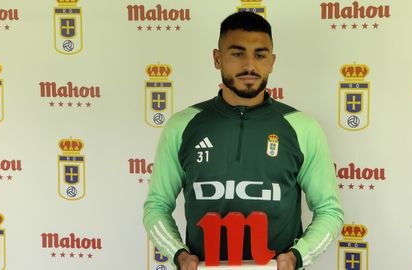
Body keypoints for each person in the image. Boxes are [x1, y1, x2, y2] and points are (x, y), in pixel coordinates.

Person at [143, 11, 343, 270]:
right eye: (237, 53)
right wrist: (178, 254)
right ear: (217, 58)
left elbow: (329, 211)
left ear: (271, 61)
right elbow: (157, 206)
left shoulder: (302, 127)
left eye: (260, 55)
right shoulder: (182, 126)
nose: (250, 65)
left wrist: (297, 257)